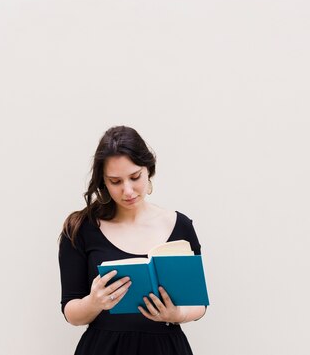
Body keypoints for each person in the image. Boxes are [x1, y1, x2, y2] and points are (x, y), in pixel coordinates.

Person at [58, 125, 207, 355]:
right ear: (103, 183)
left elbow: (199, 303)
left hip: (165, 348)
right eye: (115, 181)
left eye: (135, 177)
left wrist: (177, 315)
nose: (128, 190)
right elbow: (70, 312)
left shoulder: (181, 226)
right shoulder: (80, 229)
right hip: (103, 348)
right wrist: (94, 302)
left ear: (149, 170)